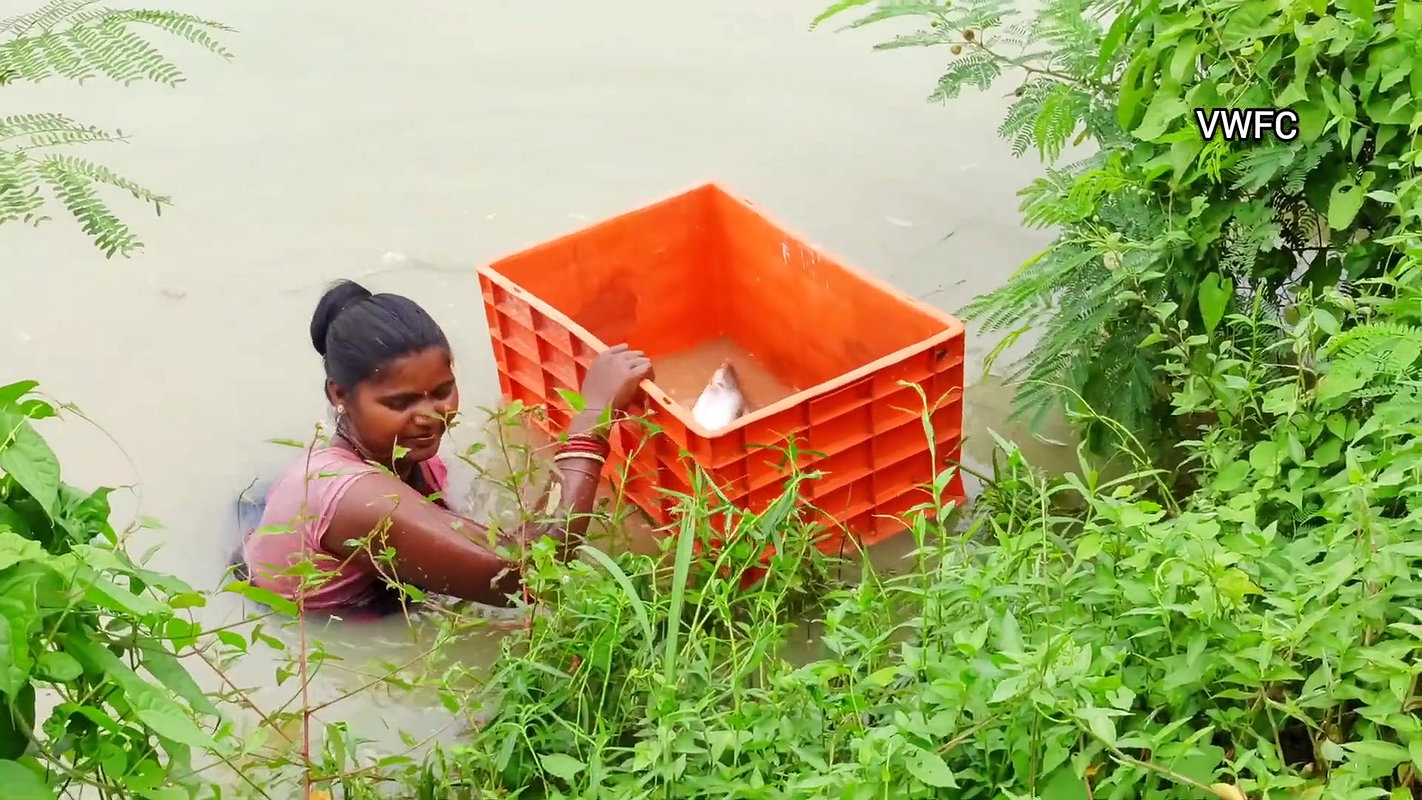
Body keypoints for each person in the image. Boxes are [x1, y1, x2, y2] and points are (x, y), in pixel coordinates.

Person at [239, 279, 653, 614]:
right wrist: (593, 414)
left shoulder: (406, 452)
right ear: (338, 394)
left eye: (442, 391)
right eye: (399, 402)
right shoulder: (357, 498)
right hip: (309, 612)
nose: (431, 415)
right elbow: (526, 574)